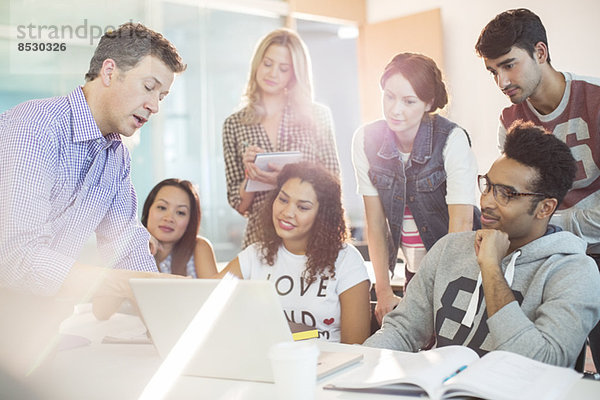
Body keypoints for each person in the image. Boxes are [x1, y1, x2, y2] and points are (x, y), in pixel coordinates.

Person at [0, 22, 185, 375]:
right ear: (110, 71)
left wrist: (167, 310)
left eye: (162, 97)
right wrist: (127, 285)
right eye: (150, 87)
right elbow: (15, 257)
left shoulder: (115, 155)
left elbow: (126, 241)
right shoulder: (34, 129)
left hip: (36, 327)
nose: (155, 106)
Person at [364, 122, 600, 368]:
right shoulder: (449, 248)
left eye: (506, 194)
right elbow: (402, 330)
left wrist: (491, 267)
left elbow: (541, 363)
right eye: (488, 186)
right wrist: (356, 368)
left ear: (545, 208)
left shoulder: (574, 271)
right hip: (440, 389)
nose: (486, 201)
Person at [475, 8, 600, 371]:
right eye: (493, 71)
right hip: (551, 260)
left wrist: (554, 221)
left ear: (540, 53)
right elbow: (513, 201)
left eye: (509, 65)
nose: (501, 81)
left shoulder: (594, 100)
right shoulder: (510, 121)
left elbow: (530, 212)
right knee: (553, 371)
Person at [351, 53, 480, 324]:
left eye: (409, 101)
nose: (395, 110)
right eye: (389, 96)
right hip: (413, 272)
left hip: (461, 269)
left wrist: (442, 290)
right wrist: (383, 290)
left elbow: (461, 224)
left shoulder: (451, 139)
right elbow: (375, 223)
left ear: (428, 103)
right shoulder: (366, 140)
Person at [218, 162, 371, 344]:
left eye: (303, 207)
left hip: (328, 366)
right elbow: (207, 298)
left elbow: (356, 347)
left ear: (322, 216)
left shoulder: (346, 260)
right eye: (283, 200)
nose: (287, 212)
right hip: (267, 365)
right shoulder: (255, 255)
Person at [222, 28, 340, 249]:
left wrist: (285, 178)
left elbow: (333, 183)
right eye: (267, 64)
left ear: (294, 74)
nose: (273, 73)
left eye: (283, 68)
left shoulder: (316, 115)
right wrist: (252, 173)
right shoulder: (234, 124)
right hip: (259, 239)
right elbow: (240, 205)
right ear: (257, 63)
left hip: (310, 238)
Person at [141, 178, 217, 278]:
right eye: (162, 207)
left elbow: (214, 292)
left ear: (190, 220)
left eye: (180, 212)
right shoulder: (130, 244)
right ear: (148, 210)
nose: (169, 218)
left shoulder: (199, 247)